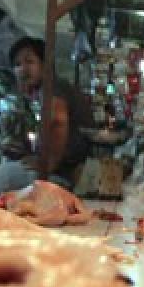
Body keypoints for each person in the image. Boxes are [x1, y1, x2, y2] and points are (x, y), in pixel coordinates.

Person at [9, 36, 95, 186]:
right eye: (17, 64)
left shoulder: (53, 88)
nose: (23, 69)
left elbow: (57, 122)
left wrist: (47, 165)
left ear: (44, 65)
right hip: (64, 171)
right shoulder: (38, 95)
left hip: (65, 174)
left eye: (29, 61)